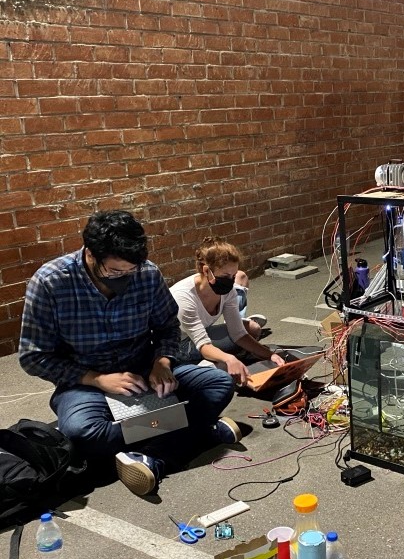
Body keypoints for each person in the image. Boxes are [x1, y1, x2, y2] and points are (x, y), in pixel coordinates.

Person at [18, 210, 241, 496]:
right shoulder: (51, 282)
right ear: (90, 253)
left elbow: (167, 328)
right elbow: (33, 356)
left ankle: (152, 456)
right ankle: (198, 433)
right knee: (79, 432)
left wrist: (162, 363)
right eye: (114, 271)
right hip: (85, 382)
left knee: (219, 383)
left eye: (129, 271)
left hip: (144, 370)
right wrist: (97, 379)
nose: (123, 278)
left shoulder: (147, 274)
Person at [170, 237, 285, 388]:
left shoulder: (227, 290)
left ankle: (230, 362)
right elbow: (203, 345)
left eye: (233, 275)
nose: (230, 281)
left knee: (252, 329)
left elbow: (238, 334)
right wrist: (228, 359)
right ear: (206, 270)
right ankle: (199, 370)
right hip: (177, 347)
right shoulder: (183, 297)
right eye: (225, 276)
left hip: (200, 334)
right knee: (222, 368)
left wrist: (270, 355)